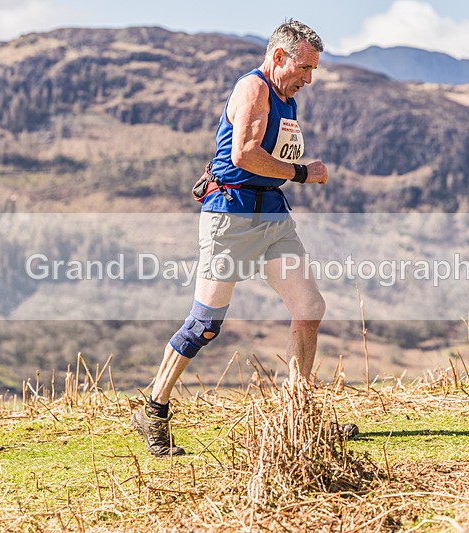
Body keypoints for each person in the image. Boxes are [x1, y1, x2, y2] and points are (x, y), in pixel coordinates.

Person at [131, 19, 357, 457]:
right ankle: (154, 411)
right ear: (278, 57)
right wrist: (302, 173)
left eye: (313, 70)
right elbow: (245, 155)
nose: (309, 79)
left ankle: (299, 416)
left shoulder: (286, 96)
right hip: (229, 215)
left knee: (309, 308)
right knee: (205, 325)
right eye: (305, 67)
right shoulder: (253, 89)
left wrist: (290, 175)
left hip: (271, 214)